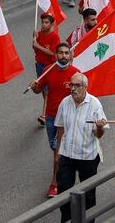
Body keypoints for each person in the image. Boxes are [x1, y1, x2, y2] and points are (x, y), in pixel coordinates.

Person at [55, 73, 108, 222]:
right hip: (67, 155)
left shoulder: (95, 104)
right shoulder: (65, 102)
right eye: (71, 85)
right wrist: (58, 151)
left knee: (89, 194)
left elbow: (99, 134)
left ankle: (88, 220)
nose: (73, 88)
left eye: (77, 85)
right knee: (63, 190)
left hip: (87, 156)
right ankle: (67, 219)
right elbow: (60, 128)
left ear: (85, 87)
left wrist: (99, 127)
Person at [29, 42, 80, 198]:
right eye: (60, 53)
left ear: (70, 55)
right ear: (56, 55)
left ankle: (55, 183)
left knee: (58, 152)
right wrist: (34, 86)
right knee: (56, 149)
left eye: (66, 53)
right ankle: (66, 168)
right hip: (51, 117)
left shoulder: (75, 73)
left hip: (68, 119)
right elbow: (39, 90)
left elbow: (80, 95)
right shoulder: (48, 70)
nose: (63, 55)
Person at [33, 13, 60, 126]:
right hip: (39, 65)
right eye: (42, 22)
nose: (43, 25)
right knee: (43, 90)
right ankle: (48, 109)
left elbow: (52, 53)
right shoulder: (39, 34)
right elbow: (35, 50)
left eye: (46, 22)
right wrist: (34, 39)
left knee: (47, 91)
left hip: (49, 67)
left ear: (51, 24)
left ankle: (44, 115)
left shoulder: (55, 37)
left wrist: (38, 45)